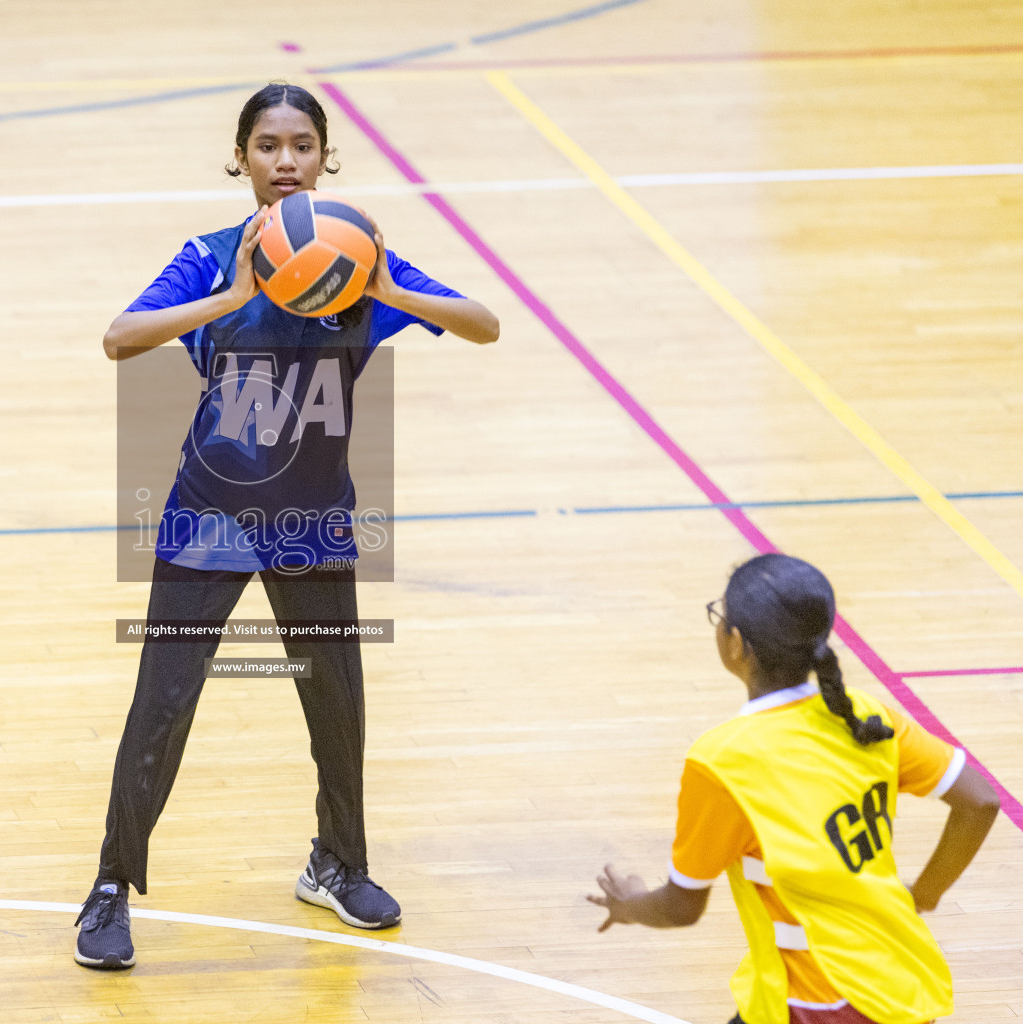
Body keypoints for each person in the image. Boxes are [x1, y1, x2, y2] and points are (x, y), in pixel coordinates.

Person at [76, 82, 500, 969]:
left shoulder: (357, 261)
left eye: (302, 145)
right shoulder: (210, 254)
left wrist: (391, 289)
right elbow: (120, 338)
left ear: (324, 156)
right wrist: (225, 300)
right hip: (209, 517)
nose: (285, 161)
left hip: (311, 519)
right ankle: (110, 887)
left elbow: (485, 326)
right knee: (163, 703)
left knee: (336, 705)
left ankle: (338, 864)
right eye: (268, 145)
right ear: (241, 158)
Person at [587, 554, 1000, 1024]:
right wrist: (923, 895)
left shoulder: (723, 760)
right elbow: (981, 800)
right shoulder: (867, 717)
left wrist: (630, 904)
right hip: (897, 977)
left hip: (820, 999)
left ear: (736, 644)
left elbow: (682, 905)